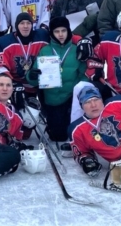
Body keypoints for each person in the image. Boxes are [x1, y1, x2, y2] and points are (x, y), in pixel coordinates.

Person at [26, 17, 87, 152]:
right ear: (52, 33)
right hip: (51, 98)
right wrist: (32, 75)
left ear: (68, 31)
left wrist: (77, 89)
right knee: (57, 136)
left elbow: (84, 74)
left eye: (63, 31)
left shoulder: (76, 50)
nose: (60, 34)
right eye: (57, 31)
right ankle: (50, 120)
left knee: (72, 133)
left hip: (71, 99)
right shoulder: (45, 50)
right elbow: (32, 78)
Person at [0, 13, 48, 112]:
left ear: (32, 25)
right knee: (20, 114)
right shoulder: (4, 42)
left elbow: (62, 36)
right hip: (17, 85)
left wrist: (79, 40)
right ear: (16, 25)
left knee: (46, 113)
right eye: (22, 23)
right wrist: (12, 85)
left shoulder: (43, 36)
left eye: (28, 23)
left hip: (40, 83)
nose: (25, 26)